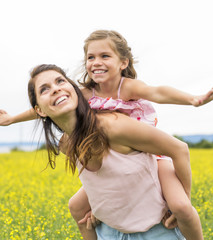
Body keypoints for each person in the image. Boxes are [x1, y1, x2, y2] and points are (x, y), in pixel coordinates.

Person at [0, 30, 213, 239]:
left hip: (151, 153)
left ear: (123, 62)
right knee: (76, 206)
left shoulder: (128, 87)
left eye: (104, 56)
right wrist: (12, 119)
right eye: (90, 57)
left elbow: (159, 92)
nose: (95, 62)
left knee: (182, 207)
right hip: (116, 158)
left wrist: (193, 100)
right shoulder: (83, 93)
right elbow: (44, 106)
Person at [27, 64, 190, 239]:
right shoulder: (66, 145)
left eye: (60, 81)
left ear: (74, 90)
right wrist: (100, 208)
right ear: (39, 111)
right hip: (110, 231)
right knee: (75, 206)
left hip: (158, 229)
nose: (56, 89)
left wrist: (183, 201)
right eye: (44, 89)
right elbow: (105, 181)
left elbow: (179, 149)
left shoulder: (113, 125)